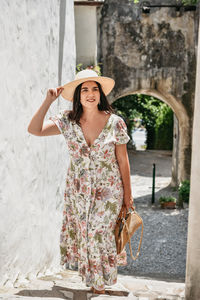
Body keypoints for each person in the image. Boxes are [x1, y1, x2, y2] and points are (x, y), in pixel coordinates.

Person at [27, 69, 134, 294]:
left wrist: (128, 195)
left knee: (97, 232)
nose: (90, 94)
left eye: (95, 89)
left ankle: (99, 287)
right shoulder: (67, 121)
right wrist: (48, 100)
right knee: (87, 234)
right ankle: (98, 283)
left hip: (109, 191)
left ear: (100, 94)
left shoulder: (115, 123)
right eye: (84, 89)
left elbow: (123, 162)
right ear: (78, 95)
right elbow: (34, 129)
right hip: (79, 192)